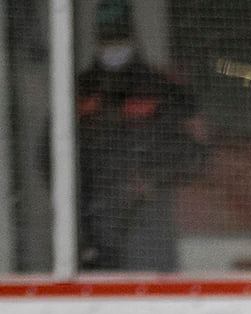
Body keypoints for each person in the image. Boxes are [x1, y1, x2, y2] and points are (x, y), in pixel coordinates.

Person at [75, 0, 208, 271]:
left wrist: (151, 178)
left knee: (153, 291)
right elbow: (51, 154)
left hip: (149, 222)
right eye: (107, 39)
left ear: (132, 37)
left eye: (119, 37)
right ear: (96, 40)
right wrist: (84, 192)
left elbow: (195, 153)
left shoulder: (160, 88)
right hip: (94, 224)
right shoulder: (80, 90)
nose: (113, 47)